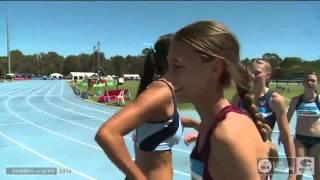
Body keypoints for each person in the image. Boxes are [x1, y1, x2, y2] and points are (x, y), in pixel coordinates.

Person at [166, 20, 278, 180]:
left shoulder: (227, 135)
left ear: (214, 68)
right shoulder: (211, 124)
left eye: (177, 66)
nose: (166, 78)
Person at [95, 34, 199, 180]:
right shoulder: (161, 92)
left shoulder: (166, 90)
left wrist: (195, 123)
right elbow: (106, 134)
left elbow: (164, 123)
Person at [231, 59, 296, 177]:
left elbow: (286, 137)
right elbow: (228, 124)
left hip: (263, 154)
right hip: (240, 154)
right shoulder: (239, 97)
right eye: (251, 72)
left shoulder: (275, 100)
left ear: (268, 75)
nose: (252, 76)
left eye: (257, 73)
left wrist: (293, 172)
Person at [287, 71, 320, 180]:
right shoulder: (296, 100)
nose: (310, 82)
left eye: (313, 80)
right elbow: (287, 119)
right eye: (307, 80)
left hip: (317, 141)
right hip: (300, 140)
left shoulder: (319, 100)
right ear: (303, 82)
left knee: (317, 174)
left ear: (317, 82)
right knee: (297, 173)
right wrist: (283, 135)